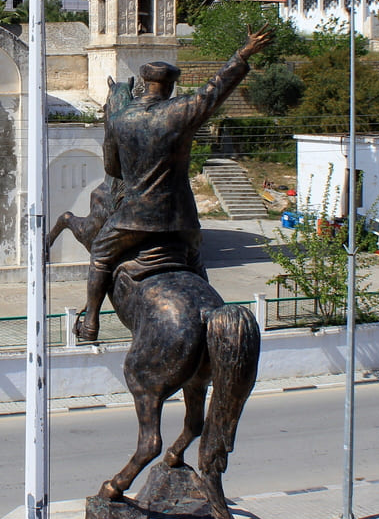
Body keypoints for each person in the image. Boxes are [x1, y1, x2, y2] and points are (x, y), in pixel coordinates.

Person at [75, 28, 273, 342]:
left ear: (141, 84)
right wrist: (243, 53)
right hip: (182, 222)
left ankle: (90, 321)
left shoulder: (119, 119)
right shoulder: (180, 112)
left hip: (134, 220)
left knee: (99, 256)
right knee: (195, 262)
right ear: (171, 87)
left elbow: (112, 168)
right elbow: (215, 89)